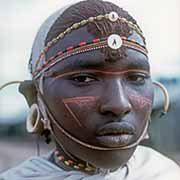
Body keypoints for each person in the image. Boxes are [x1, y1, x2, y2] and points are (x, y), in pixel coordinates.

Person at [0, 0, 180, 179]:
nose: (119, 104)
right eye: (83, 79)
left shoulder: (167, 174)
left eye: (137, 78)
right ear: (37, 97)